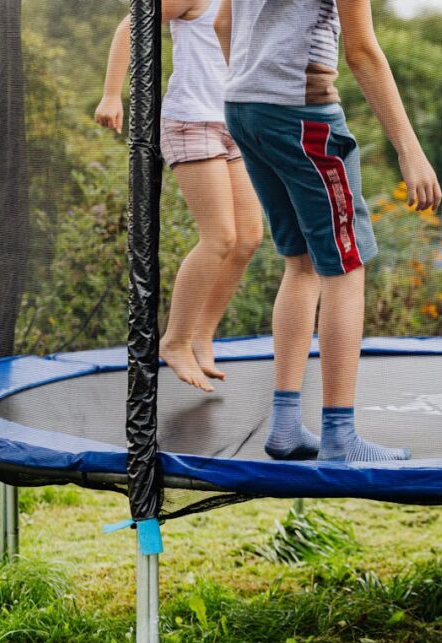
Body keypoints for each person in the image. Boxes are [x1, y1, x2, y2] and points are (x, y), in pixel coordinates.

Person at [215, 0, 442, 461]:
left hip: (243, 106)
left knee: (301, 263)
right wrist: (410, 150)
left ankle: (284, 426)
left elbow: (223, 23)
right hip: (302, 114)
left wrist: (257, 83)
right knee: (346, 264)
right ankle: (339, 436)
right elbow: (361, 50)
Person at [96, 0, 263, 393]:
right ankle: (174, 340)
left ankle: (202, 335)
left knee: (249, 237)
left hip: (236, 121)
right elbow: (130, 25)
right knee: (220, 237)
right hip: (192, 121)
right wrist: (111, 94)